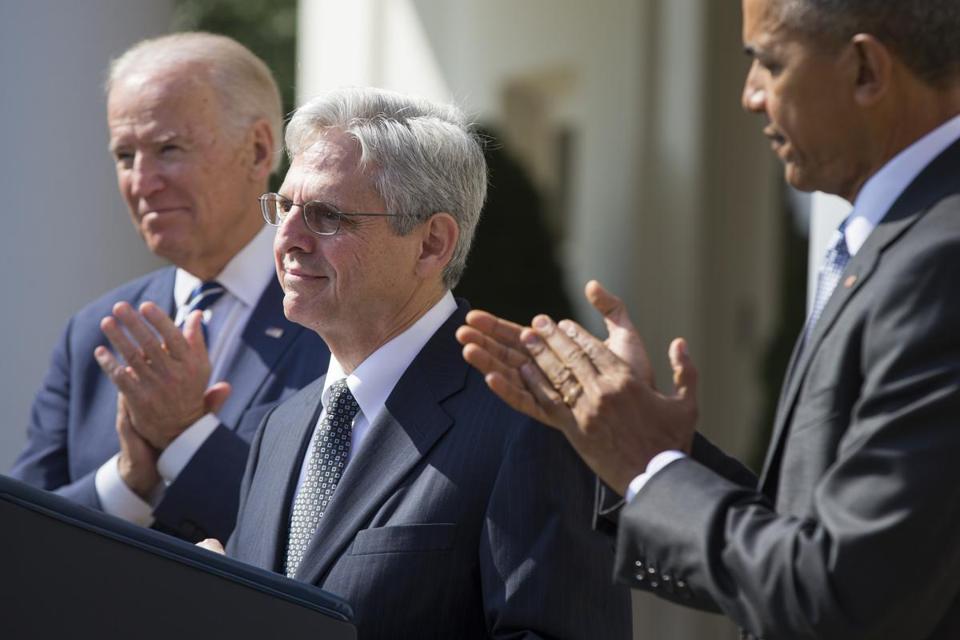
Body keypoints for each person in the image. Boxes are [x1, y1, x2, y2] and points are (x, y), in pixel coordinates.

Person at [457, 0, 960, 638]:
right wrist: (656, 457)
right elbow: (806, 545)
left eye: (769, 64)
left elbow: (844, 600)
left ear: (865, 69)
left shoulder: (939, 259)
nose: (749, 95)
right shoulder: (898, 240)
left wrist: (648, 467)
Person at [194, 87, 631, 639]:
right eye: (284, 208)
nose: (289, 239)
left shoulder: (530, 417)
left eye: (325, 216)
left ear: (431, 244)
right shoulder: (281, 428)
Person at [10, 32, 329, 543]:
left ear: (258, 149)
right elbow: (20, 538)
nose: (142, 181)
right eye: (124, 156)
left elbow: (321, 539)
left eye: (168, 148)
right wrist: (127, 483)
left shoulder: (335, 315)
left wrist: (184, 435)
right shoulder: (96, 330)